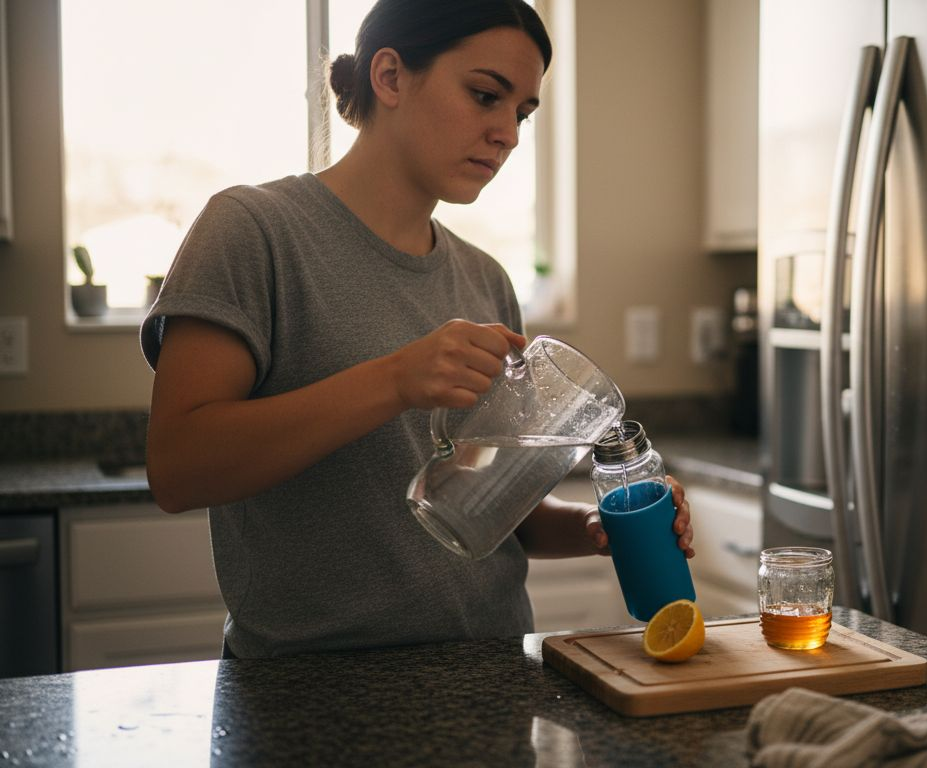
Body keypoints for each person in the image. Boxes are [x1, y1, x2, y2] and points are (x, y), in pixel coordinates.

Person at [140, 0, 694, 659]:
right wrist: (396, 379)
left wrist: (598, 526)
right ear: (390, 77)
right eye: (485, 95)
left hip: (488, 681)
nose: (508, 134)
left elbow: (490, 506)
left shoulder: (484, 279)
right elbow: (177, 468)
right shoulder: (252, 231)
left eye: (520, 112)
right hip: (309, 694)